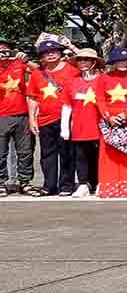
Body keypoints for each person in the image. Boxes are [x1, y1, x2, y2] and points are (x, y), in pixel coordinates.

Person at [24, 39, 76, 196]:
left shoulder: (72, 69)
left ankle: (66, 184)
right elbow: (32, 97)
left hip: (66, 119)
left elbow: (92, 64)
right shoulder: (37, 74)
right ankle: (49, 185)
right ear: (40, 57)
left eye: (54, 51)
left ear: (60, 53)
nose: (51, 54)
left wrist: (71, 46)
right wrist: (32, 119)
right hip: (45, 120)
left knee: (67, 152)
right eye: (46, 53)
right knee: (47, 154)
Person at [95, 47, 127, 198]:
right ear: (113, 62)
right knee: (109, 153)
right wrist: (109, 116)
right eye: (119, 61)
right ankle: (109, 186)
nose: (123, 63)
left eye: (125, 60)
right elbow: (100, 99)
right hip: (110, 120)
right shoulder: (104, 78)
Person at [65, 48, 103, 197]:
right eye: (80, 60)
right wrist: (65, 127)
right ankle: (83, 183)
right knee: (81, 155)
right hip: (80, 125)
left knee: (99, 155)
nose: (83, 63)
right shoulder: (72, 82)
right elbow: (66, 104)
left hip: (99, 124)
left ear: (94, 62)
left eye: (86, 60)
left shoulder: (102, 79)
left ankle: (99, 182)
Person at [0, 35, 32, 196]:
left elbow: (39, 70)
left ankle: (25, 181)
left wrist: (25, 59)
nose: (3, 53)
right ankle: (1, 182)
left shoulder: (18, 63)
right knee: (1, 152)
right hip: (1, 115)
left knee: (25, 151)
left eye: (5, 50)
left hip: (22, 114)